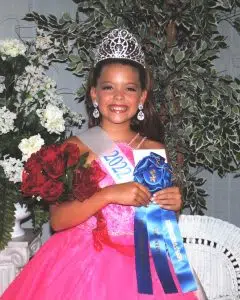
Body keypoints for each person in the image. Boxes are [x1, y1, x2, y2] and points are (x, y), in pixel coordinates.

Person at [1, 28, 205, 300]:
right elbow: (58, 220)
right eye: (109, 87)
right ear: (94, 94)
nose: (119, 97)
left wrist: (172, 204)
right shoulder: (75, 147)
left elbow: (157, 224)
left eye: (129, 88)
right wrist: (109, 195)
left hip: (145, 268)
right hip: (83, 263)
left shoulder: (154, 149)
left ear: (142, 97)